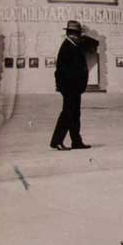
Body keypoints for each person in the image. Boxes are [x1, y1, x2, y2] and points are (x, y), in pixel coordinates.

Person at [50, 20, 90, 151]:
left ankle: (76, 141)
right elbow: (61, 71)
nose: (79, 36)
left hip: (75, 88)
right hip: (70, 88)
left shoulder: (74, 46)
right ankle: (57, 141)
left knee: (75, 114)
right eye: (77, 34)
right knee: (67, 114)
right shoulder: (67, 47)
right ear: (71, 34)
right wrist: (64, 87)